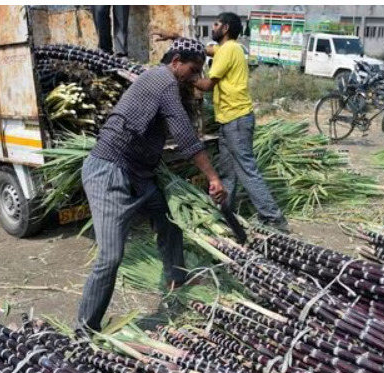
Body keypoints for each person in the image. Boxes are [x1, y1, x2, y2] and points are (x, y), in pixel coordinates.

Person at [77, 38, 227, 332]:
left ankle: (176, 278)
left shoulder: (160, 80)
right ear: (176, 62)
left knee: (168, 217)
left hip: (136, 175)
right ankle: (84, 329)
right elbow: (184, 135)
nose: (196, 78)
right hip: (109, 173)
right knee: (111, 256)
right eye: (193, 70)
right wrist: (213, 177)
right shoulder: (163, 81)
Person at [154, 13, 290, 233]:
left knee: (246, 169)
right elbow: (204, 50)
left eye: (216, 24)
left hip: (236, 118)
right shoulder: (229, 49)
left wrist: (183, 76)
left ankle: (273, 217)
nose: (213, 28)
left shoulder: (228, 50)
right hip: (229, 119)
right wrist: (174, 36)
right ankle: (226, 213)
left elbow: (207, 85)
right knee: (227, 171)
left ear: (225, 28)